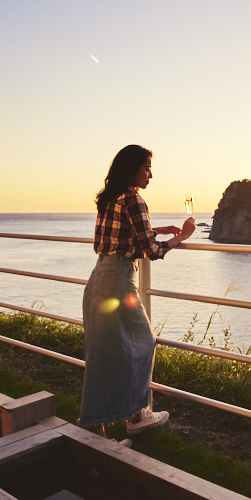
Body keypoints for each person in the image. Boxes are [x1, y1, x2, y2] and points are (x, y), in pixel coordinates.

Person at [78, 144, 195, 442]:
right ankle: (136, 416)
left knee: (100, 354)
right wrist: (181, 236)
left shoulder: (111, 197)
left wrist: (155, 228)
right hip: (117, 280)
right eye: (146, 168)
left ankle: (97, 428)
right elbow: (152, 251)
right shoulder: (134, 198)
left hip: (98, 277)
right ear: (132, 169)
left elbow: (121, 234)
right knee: (144, 342)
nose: (150, 175)